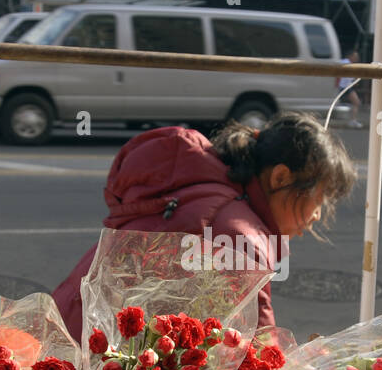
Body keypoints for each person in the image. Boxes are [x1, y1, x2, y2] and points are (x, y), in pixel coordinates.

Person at [52, 112, 358, 340]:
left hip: (66, 329)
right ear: (280, 178)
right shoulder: (239, 233)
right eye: (320, 198)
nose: (318, 215)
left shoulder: (209, 189)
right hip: (86, 359)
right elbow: (258, 356)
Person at [338, 49, 364, 128]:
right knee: (356, 103)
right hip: (344, 86)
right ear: (350, 56)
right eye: (355, 56)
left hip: (346, 86)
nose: (357, 58)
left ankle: (353, 120)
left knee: (356, 103)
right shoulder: (346, 62)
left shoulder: (348, 63)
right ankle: (353, 120)